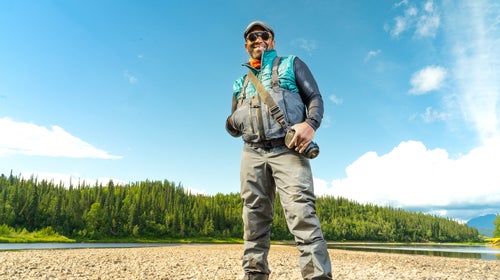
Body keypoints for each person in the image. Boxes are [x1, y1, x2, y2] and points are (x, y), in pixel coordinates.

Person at [225, 20, 333, 280]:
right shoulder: (240, 82)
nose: (257, 39)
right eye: (252, 37)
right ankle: (253, 274)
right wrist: (233, 121)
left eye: (263, 35)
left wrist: (311, 124)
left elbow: (315, 98)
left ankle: (317, 276)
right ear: (246, 45)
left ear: (272, 40)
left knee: (301, 213)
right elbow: (232, 123)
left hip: (288, 150)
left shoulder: (291, 63)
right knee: (253, 217)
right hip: (251, 152)